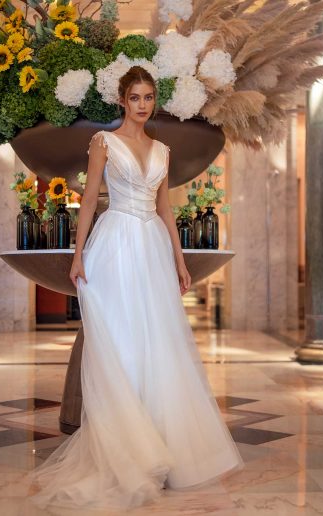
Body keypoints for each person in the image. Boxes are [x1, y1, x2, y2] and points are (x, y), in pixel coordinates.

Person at [27, 66, 243, 510]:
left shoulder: (163, 150)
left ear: (154, 101)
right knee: (119, 342)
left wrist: (179, 260)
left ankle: (160, 445)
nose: (142, 105)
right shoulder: (103, 142)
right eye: (135, 97)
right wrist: (77, 253)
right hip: (113, 244)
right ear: (121, 101)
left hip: (150, 248)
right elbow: (89, 200)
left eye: (148, 97)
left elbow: (166, 210)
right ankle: (126, 450)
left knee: (156, 343)